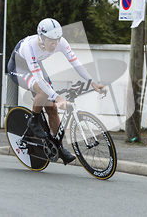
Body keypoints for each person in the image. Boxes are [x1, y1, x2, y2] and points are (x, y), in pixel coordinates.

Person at [7, 18, 106, 165]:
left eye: (57, 40)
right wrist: (58, 97)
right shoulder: (30, 47)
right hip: (19, 67)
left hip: (36, 65)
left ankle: (58, 148)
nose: (54, 44)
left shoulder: (61, 42)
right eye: (50, 41)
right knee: (43, 91)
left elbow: (76, 64)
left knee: (52, 108)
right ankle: (33, 121)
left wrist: (92, 82)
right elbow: (39, 80)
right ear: (41, 37)